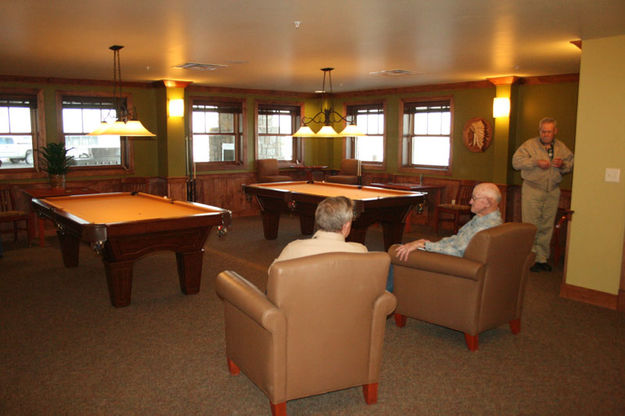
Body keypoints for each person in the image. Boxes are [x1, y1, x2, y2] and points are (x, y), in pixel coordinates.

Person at [512, 117, 574, 272]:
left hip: (552, 190)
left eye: (549, 131)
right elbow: (516, 162)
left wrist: (563, 165)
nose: (546, 134)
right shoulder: (529, 145)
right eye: (543, 131)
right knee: (531, 226)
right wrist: (535, 162)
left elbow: (571, 164)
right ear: (539, 131)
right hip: (533, 189)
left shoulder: (561, 147)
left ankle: (541, 258)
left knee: (546, 226)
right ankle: (530, 259)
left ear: (555, 131)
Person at [394, 182, 503, 263]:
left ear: (487, 203)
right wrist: (427, 243)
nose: (470, 202)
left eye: (474, 198)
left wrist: (425, 245)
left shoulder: (483, 227)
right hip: (452, 256)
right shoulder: (486, 219)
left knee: (397, 253)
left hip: (451, 263)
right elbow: (457, 240)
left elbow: (457, 252)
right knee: (406, 247)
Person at [272, 195, 367, 263]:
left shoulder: (293, 249)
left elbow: (274, 276)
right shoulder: (360, 251)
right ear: (346, 225)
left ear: (318, 219)